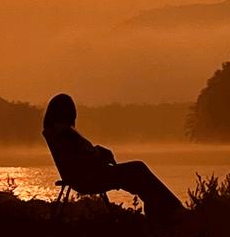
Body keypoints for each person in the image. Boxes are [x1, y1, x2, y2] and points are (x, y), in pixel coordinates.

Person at [42, 93, 184, 221]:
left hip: (88, 175)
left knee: (137, 173)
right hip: (90, 177)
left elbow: (80, 156)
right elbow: (82, 159)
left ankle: (161, 209)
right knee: (138, 169)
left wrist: (97, 151)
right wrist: (99, 155)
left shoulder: (57, 133)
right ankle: (171, 209)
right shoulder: (64, 134)